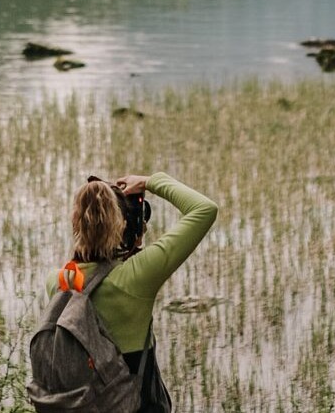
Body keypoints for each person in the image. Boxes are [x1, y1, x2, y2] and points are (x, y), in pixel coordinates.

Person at [46, 172, 218, 411]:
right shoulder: (137, 278)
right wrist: (148, 181)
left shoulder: (57, 281)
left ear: (77, 224)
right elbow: (205, 209)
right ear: (123, 226)